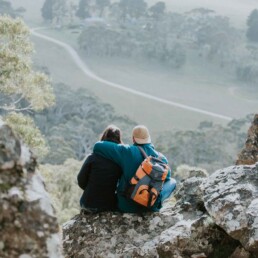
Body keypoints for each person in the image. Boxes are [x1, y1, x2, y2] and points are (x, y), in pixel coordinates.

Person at [93, 125, 176, 213]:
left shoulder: (127, 151)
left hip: (127, 206)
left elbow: (98, 146)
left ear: (133, 139)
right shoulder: (162, 158)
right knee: (172, 182)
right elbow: (165, 179)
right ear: (149, 138)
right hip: (149, 206)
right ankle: (156, 203)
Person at [77, 125, 122, 212]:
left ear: (104, 136)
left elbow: (80, 180)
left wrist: (91, 189)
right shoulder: (120, 161)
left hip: (88, 203)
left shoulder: (92, 157)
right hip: (108, 205)